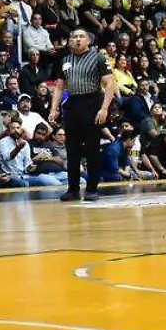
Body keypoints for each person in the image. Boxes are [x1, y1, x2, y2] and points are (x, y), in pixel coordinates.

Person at [47, 28, 119, 202]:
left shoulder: (98, 58)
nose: (77, 39)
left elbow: (110, 83)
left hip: (93, 103)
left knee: (92, 148)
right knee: (72, 150)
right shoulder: (65, 60)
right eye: (74, 36)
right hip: (73, 105)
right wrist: (53, 109)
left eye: (81, 36)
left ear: (88, 40)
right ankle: (73, 189)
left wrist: (104, 108)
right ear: (70, 40)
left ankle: (92, 188)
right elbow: (59, 86)